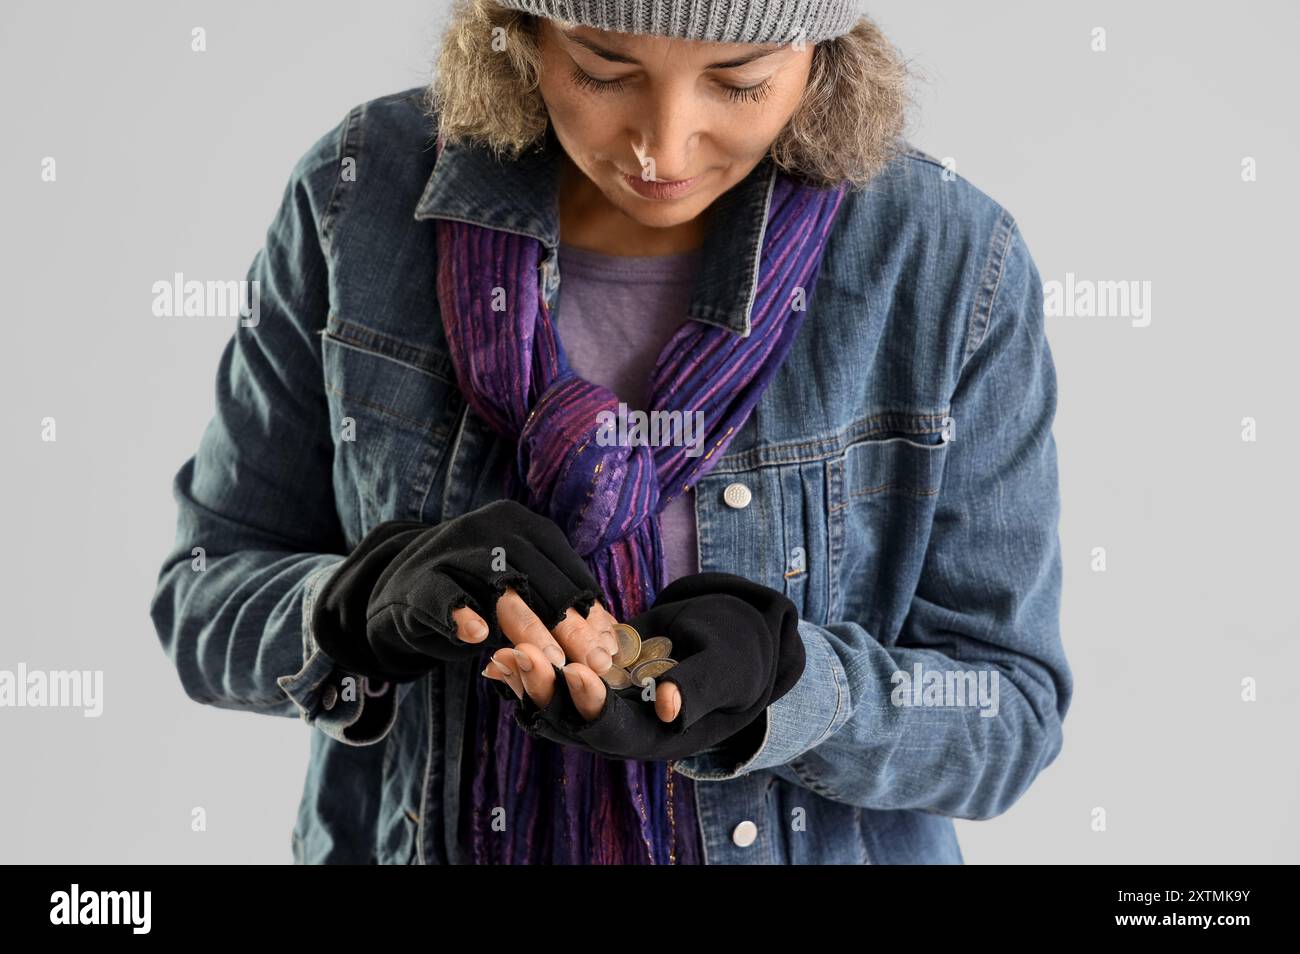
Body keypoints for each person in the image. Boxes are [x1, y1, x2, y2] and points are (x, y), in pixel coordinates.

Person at [150, 0, 1073, 865]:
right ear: (521, 32)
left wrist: (786, 686)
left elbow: (1011, 712)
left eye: (740, 80)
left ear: (822, 58)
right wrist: (360, 601)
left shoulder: (950, 259)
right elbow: (201, 600)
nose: (661, 146)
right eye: (602, 67)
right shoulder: (360, 196)